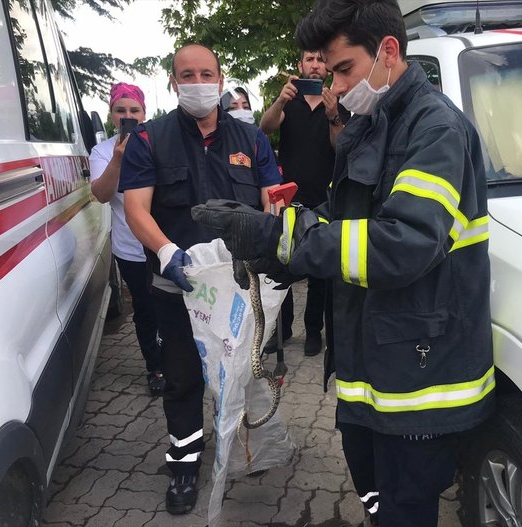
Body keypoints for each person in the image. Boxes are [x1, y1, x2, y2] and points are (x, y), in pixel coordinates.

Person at [191, 1, 496, 525]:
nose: (333, 84)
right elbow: (340, 217)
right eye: (329, 71)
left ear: (388, 51)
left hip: (420, 384)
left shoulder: (436, 130)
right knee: (376, 502)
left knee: (405, 510)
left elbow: (403, 244)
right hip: (371, 369)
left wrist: (278, 236)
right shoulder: (372, 122)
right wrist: (274, 247)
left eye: (343, 69)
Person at [119, 43, 282, 516]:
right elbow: (135, 208)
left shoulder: (252, 140)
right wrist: (166, 251)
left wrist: (277, 214)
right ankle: (185, 462)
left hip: (238, 285)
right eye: (186, 75)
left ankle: (242, 449)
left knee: (240, 373)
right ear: (174, 82)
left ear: (220, 75)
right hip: (179, 286)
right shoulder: (151, 139)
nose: (197, 82)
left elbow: (272, 195)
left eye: (205, 73)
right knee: (184, 377)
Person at [259, 49, 350, 357]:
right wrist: (281, 99)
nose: (315, 65)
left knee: (320, 273)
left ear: (327, 67)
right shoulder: (290, 102)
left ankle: (314, 331)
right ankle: (281, 330)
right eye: (309, 59)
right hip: (289, 200)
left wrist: (333, 117)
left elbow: (341, 149)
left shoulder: (336, 103)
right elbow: (265, 128)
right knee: (282, 265)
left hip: (324, 201)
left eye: (320, 60)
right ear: (299, 66)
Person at [89, 82, 165, 397]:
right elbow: (101, 195)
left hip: (162, 243)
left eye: (134, 110)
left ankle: (182, 360)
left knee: (174, 305)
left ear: (144, 114)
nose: (127, 116)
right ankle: (155, 367)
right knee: (146, 310)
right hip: (131, 250)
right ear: (111, 115)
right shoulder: (102, 151)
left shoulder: (158, 143)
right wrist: (118, 159)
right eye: (121, 111)